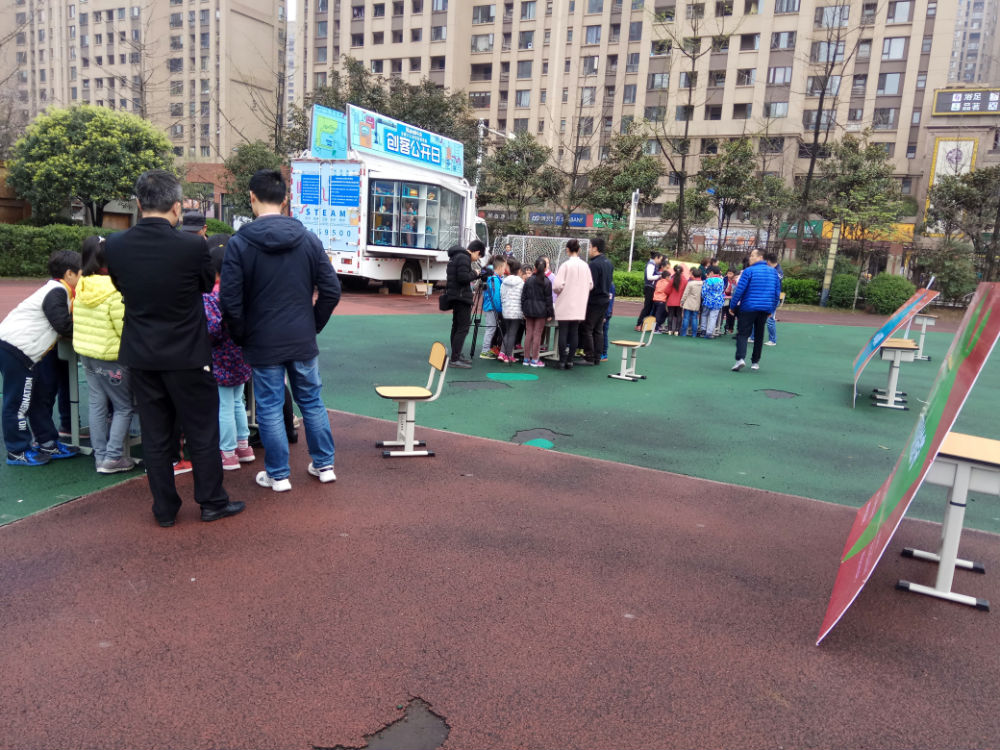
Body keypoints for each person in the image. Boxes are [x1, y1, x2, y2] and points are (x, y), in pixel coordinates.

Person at [106, 169, 244, 526]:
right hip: (188, 354)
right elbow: (205, 285)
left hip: (142, 353)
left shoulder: (115, 245)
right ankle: (211, 501)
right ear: (177, 207)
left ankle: (165, 509)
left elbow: (121, 286)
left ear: (139, 205)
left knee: (155, 434)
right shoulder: (192, 246)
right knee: (201, 430)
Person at [220, 168, 341, 493]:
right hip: (301, 337)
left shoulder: (239, 243)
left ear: (252, 198)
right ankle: (324, 465)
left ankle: (278, 475)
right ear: (286, 199)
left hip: (262, 341)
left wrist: (242, 335)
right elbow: (331, 290)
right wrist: (312, 324)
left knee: (270, 406)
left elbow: (229, 300)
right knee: (311, 401)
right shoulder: (308, 239)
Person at [0, 250, 82, 466]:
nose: (84, 278)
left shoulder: (59, 290)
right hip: (16, 349)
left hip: (23, 350)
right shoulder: (56, 291)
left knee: (38, 397)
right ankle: (17, 450)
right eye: (82, 273)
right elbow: (62, 325)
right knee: (18, 402)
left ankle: (47, 442)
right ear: (70, 273)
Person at [72, 236, 137, 474]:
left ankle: (100, 456)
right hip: (111, 356)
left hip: (87, 353)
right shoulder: (114, 288)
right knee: (123, 406)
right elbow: (123, 328)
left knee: (96, 403)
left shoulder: (82, 284)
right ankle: (113, 457)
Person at [203, 244, 255, 471]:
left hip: (220, 358)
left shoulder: (211, 296)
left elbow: (212, 330)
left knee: (224, 405)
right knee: (237, 401)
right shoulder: (243, 292)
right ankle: (244, 446)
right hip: (241, 356)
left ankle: (227, 451)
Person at [729, 247, 781, 372]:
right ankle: (755, 362)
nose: (750, 258)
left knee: (743, 333)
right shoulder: (773, 273)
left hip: (748, 306)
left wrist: (732, 306)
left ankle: (740, 358)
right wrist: (772, 309)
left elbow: (739, 290)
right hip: (765, 308)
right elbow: (776, 293)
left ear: (760, 257)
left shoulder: (749, 271)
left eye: (752, 255)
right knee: (759, 334)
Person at [552, 239, 593, 370]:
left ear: (567, 250)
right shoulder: (585, 266)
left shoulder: (565, 265)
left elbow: (557, 286)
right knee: (574, 331)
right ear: (579, 250)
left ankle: (562, 361)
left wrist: (560, 291)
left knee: (563, 331)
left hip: (565, 302)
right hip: (579, 303)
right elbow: (590, 285)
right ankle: (570, 360)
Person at [444, 239, 485, 368]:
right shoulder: (464, 258)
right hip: (461, 296)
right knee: (463, 327)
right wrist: (475, 273)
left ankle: (456, 355)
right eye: (478, 256)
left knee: (456, 326)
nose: (477, 259)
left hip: (455, 295)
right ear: (476, 251)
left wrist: (473, 274)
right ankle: (455, 358)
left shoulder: (456, 256)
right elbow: (463, 278)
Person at [579, 237, 613, 366]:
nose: (588, 250)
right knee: (598, 329)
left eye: (589, 247)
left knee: (587, 328)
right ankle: (597, 356)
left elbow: (590, 284)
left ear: (595, 248)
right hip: (604, 300)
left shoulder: (593, 264)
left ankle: (589, 356)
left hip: (594, 300)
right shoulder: (608, 263)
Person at [521, 256, 554, 368]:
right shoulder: (547, 281)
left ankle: (526, 358)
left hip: (529, 310)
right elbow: (549, 299)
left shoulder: (529, 280)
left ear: (534, 267)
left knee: (529, 333)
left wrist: (524, 310)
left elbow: (523, 296)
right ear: (545, 268)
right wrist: (550, 313)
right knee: (537, 334)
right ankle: (535, 359)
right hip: (541, 311)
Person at [498, 258, 526, 364]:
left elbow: (501, 295)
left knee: (507, 332)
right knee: (512, 333)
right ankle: (508, 355)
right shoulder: (521, 283)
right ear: (519, 271)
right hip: (517, 311)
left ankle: (502, 353)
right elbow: (523, 297)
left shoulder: (504, 282)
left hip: (506, 310)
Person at [479, 255, 506, 360]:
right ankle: (484, 351)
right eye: (504, 268)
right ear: (499, 267)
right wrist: (500, 309)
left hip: (490, 307)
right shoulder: (494, 279)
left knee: (491, 328)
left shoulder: (492, 278)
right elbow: (496, 297)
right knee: (491, 328)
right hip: (492, 307)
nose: (504, 271)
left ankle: (486, 349)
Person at [635, 250, 663, 331]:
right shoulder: (651, 265)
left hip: (650, 288)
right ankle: (639, 324)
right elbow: (649, 277)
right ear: (656, 258)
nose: (660, 261)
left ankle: (643, 324)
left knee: (649, 307)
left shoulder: (653, 265)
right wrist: (659, 276)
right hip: (649, 288)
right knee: (647, 307)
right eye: (660, 259)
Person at [699, 266, 725, 339]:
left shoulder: (708, 280)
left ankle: (703, 330)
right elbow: (722, 290)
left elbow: (704, 291)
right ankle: (709, 332)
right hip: (717, 301)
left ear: (712, 272)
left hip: (708, 300)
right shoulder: (721, 281)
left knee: (704, 315)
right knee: (713, 317)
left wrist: (703, 297)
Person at [679, 267, 703, 337]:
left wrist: (682, 301)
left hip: (688, 302)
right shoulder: (702, 283)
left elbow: (685, 293)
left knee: (686, 318)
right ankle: (694, 334)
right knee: (695, 318)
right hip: (697, 303)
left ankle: (684, 333)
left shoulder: (690, 283)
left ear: (693, 275)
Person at [665, 264, 687, 336]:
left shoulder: (672, 279)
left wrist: (670, 294)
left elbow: (666, 290)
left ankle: (669, 330)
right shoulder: (684, 280)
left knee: (670, 315)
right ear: (682, 271)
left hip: (671, 300)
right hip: (680, 300)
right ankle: (677, 330)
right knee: (679, 315)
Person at [602, 280, 615, 361]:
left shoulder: (609, 284)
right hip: (605, 312)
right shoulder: (608, 283)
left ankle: (604, 354)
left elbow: (609, 301)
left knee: (603, 333)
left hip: (606, 313)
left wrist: (606, 315)